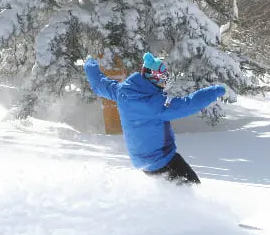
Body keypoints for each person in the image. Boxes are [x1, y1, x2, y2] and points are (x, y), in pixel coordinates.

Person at [83, 52, 226, 185]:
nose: (165, 83)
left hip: (142, 162)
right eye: (164, 79)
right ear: (154, 77)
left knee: (173, 194)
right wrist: (214, 91)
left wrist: (90, 63)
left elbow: (99, 84)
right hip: (162, 160)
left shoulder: (121, 92)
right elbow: (187, 104)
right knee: (193, 189)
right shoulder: (156, 104)